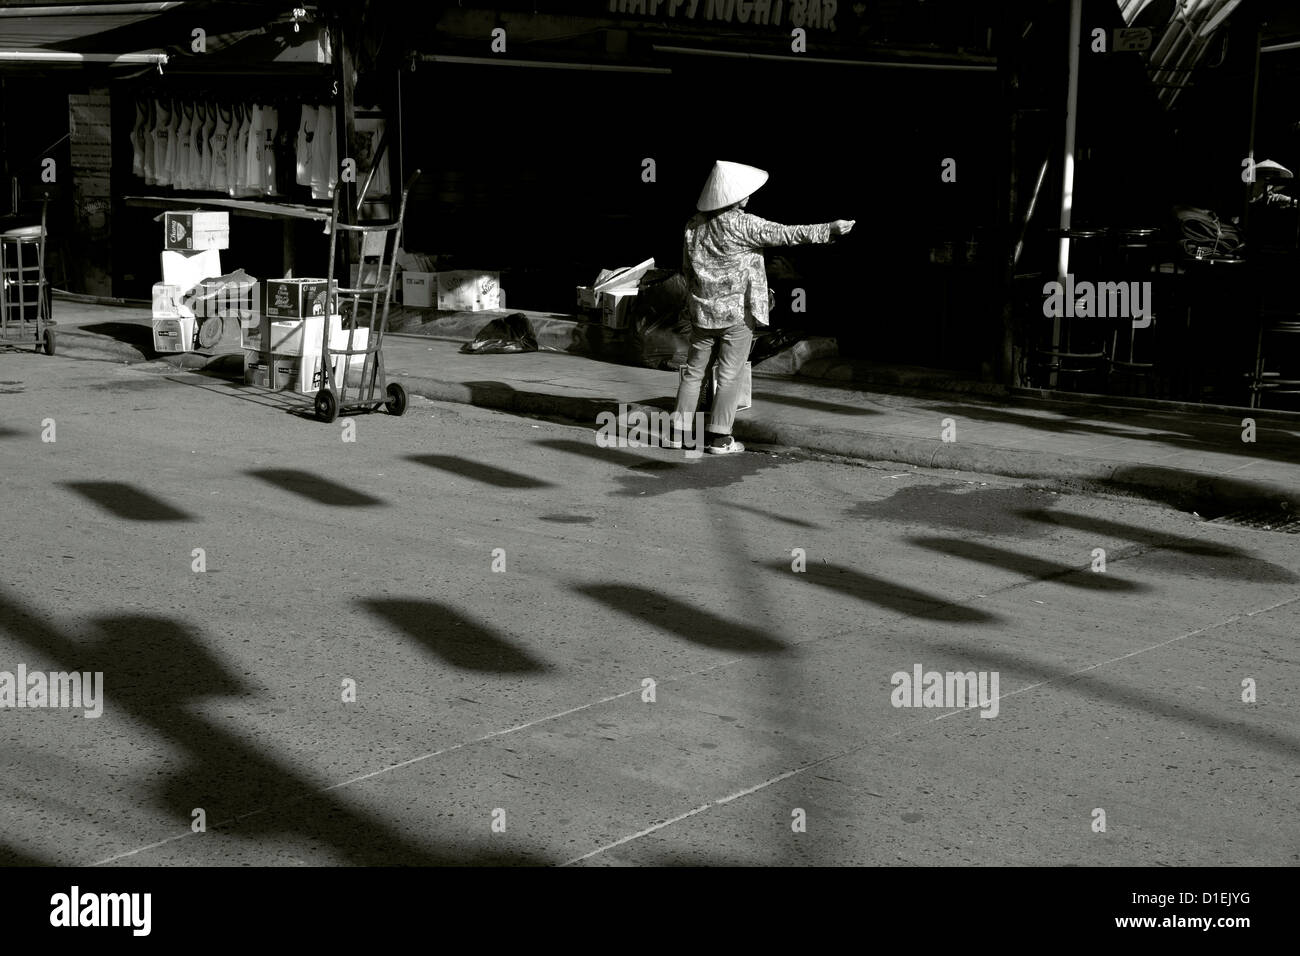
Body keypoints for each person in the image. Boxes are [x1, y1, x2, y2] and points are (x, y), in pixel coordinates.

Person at [667, 161, 854, 455]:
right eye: (744, 193)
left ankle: (676, 434)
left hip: (702, 312)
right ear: (733, 197)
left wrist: (695, 301)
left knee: (693, 372)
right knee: (730, 374)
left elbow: (687, 269)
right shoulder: (744, 224)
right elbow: (787, 234)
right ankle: (720, 438)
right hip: (736, 315)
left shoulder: (693, 225)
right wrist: (829, 229)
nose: (748, 197)